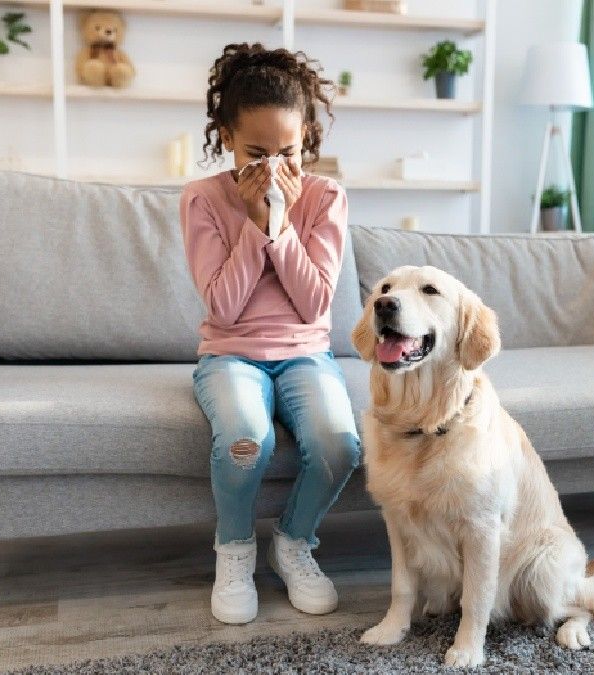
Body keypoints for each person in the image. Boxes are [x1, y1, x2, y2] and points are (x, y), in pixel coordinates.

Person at [179, 42, 360, 625]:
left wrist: (278, 225)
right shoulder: (203, 199)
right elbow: (225, 309)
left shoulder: (325, 197)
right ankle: (234, 553)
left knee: (340, 444)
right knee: (244, 442)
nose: (275, 170)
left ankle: (293, 543)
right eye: (255, 153)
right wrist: (255, 227)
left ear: (306, 136)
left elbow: (313, 305)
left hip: (305, 354)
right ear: (225, 137)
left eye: (289, 152)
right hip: (231, 355)